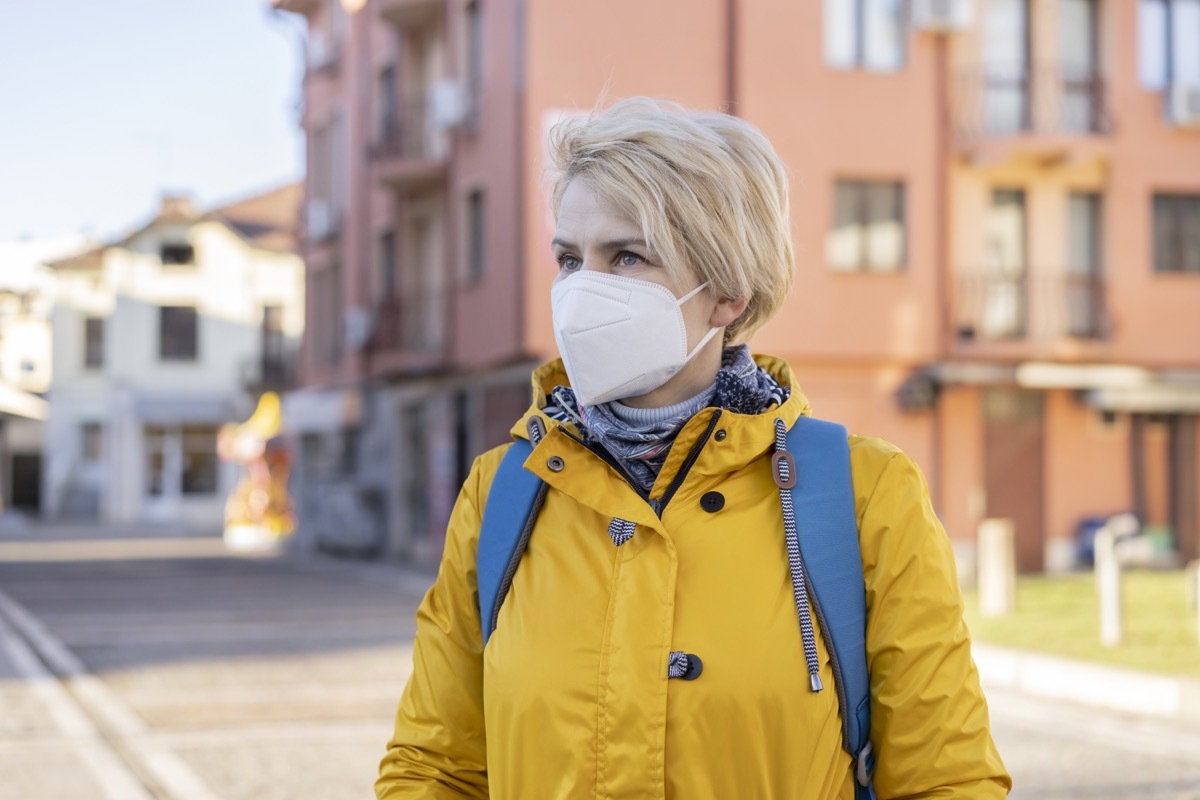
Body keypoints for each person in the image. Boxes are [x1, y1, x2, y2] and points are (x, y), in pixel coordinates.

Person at [376, 97, 1011, 799]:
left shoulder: (866, 494)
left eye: (626, 256)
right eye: (568, 258)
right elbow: (433, 768)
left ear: (728, 293)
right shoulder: (502, 489)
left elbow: (945, 781)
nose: (584, 290)